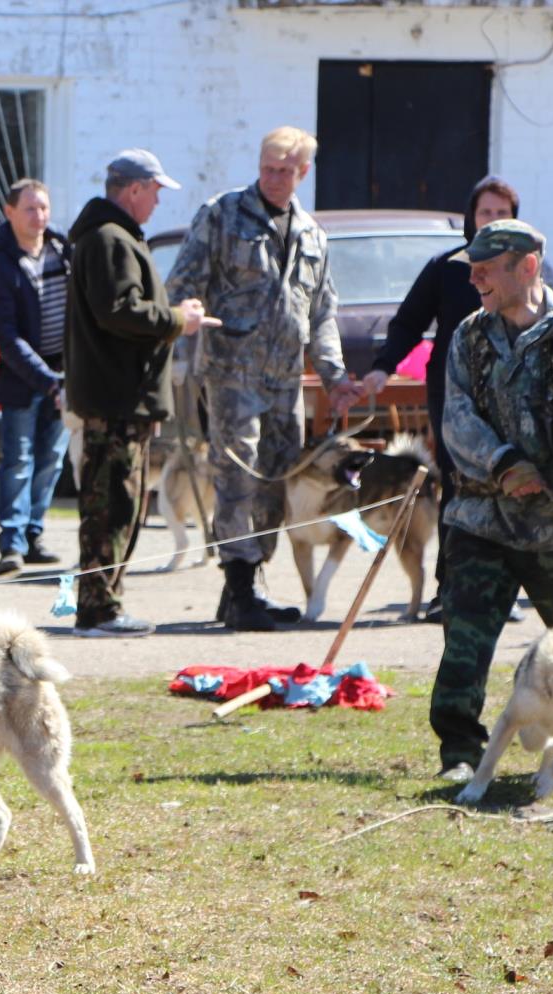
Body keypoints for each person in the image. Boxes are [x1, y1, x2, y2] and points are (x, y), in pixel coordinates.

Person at [167, 126, 363, 631]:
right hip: (233, 373)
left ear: (304, 172)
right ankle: (239, 584)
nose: (274, 178)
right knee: (238, 477)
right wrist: (189, 320)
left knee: (277, 479)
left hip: (284, 383)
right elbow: (184, 282)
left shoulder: (312, 234)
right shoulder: (223, 214)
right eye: (267, 168)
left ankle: (249, 580)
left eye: (285, 170)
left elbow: (322, 315)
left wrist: (335, 375)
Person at [365, 176, 553, 623]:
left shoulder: (534, 270)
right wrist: (382, 367)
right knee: (459, 489)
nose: (492, 220)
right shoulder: (448, 267)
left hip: (519, 401)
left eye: (501, 213)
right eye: (485, 213)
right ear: (472, 218)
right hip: (456, 397)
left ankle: (505, 590)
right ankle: (449, 589)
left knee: (517, 488)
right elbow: (409, 322)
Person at [427, 220, 553, 784]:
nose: (474, 279)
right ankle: (461, 752)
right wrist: (503, 462)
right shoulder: (469, 335)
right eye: (472, 268)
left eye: (486, 269)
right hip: (479, 521)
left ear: (529, 267)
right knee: (463, 646)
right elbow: (456, 418)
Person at [65, 149, 214, 637]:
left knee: (120, 504)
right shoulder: (111, 239)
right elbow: (120, 311)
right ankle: (99, 608)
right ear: (133, 189)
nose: (156, 202)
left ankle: (104, 603)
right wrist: (178, 320)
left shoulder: (113, 237)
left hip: (120, 397)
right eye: (153, 191)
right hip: (115, 400)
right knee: (111, 505)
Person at [0, 177, 72, 575]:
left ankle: (35, 534)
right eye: (30, 209)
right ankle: (12, 543)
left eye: (44, 208)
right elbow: (5, 333)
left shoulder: (61, 250)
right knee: (18, 459)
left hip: (65, 375)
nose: (39, 216)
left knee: (51, 458)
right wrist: (46, 380)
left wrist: (67, 377)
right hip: (23, 378)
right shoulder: (0, 259)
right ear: (10, 212)